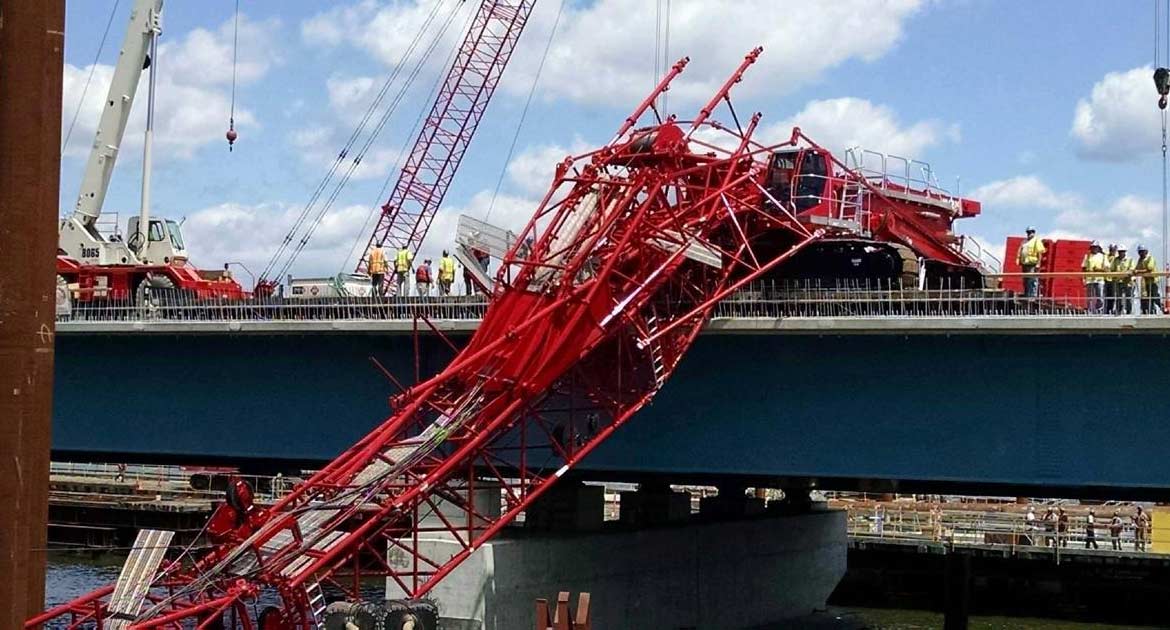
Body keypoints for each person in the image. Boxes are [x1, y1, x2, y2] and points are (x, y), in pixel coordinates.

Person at [1017, 227, 1046, 298]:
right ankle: (1027, 294)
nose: (1029, 234)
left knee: (1032, 280)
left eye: (1031, 232)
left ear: (1033, 232)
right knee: (1026, 280)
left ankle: (1032, 295)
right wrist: (1019, 260)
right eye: (1028, 232)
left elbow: (1039, 253)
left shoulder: (1036, 241)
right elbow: (1021, 251)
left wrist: (1038, 264)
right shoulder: (1024, 241)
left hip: (1032, 264)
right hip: (1025, 264)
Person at [1082, 241, 1108, 314]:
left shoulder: (1103, 256)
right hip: (1089, 280)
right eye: (1093, 247)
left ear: (1098, 248)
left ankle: (1099, 311)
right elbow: (1083, 268)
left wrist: (1098, 269)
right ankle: (1089, 311)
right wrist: (1083, 278)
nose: (1094, 249)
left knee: (1100, 296)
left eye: (1095, 247)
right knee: (1089, 297)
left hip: (1099, 279)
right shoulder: (1087, 256)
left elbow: (1107, 269)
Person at [1135, 245, 1161, 314]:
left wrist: (1139, 271)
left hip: (1153, 281)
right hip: (1146, 282)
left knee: (1154, 297)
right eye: (1139, 252)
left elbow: (1150, 268)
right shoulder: (1140, 260)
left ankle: (1162, 307)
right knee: (1148, 297)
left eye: (1142, 252)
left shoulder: (1150, 258)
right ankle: (1151, 311)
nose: (1140, 253)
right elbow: (1137, 268)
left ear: (1146, 251)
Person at [1113, 244, 1136, 314]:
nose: (1121, 253)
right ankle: (1119, 311)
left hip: (1128, 282)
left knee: (1128, 297)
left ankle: (1129, 311)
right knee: (1118, 297)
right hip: (1118, 282)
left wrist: (1126, 274)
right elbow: (1112, 269)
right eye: (1120, 251)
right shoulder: (1115, 260)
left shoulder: (1130, 260)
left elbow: (1132, 269)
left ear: (1125, 252)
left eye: (1122, 251)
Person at [1105, 244, 1118, 314]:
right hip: (1106, 279)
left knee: (1113, 295)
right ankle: (1106, 310)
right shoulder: (1106, 257)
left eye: (1113, 249)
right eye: (1111, 249)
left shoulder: (1117, 258)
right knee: (1106, 295)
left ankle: (1112, 309)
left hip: (1114, 279)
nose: (1112, 251)